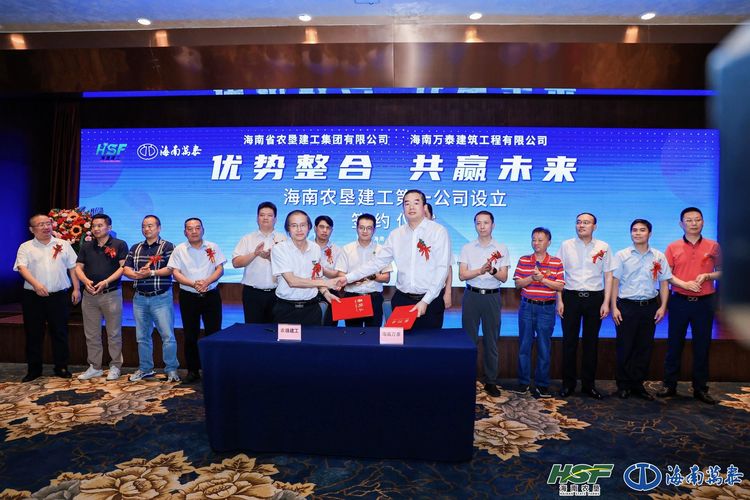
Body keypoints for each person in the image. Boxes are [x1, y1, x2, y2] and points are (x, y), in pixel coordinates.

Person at [340, 190, 451, 330]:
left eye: (416, 203)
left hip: (430, 301)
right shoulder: (396, 234)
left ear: (424, 207)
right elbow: (376, 263)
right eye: (407, 203)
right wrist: (348, 278)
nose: (411, 207)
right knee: (401, 342)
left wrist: (426, 301)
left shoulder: (438, 231)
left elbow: (442, 268)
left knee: (429, 342)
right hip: (402, 300)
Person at [658, 207, 722, 404]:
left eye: (697, 219)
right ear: (681, 224)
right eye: (689, 220)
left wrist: (708, 276)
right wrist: (684, 284)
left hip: (705, 302)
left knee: (702, 345)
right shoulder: (673, 247)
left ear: (703, 222)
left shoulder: (713, 246)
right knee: (674, 344)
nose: (694, 223)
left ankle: (700, 388)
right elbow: (666, 275)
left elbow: (723, 271)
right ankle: (669, 384)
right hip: (680, 301)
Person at [14, 214, 81, 382]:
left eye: (48, 223)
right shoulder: (25, 247)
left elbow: (73, 268)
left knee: (60, 332)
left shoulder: (64, 244)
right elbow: (22, 268)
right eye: (41, 224)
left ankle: (61, 366)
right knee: (33, 333)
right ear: (32, 229)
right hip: (33, 297)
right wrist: (36, 285)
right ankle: (34, 369)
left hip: (59, 296)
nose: (46, 227)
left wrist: (76, 289)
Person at [610, 219, 671, 400]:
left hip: (649, 306)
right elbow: (615, 282)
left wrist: (663, 306)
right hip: (626, 306)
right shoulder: (622, 255)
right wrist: (614, 307)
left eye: (642, 230)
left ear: (649, 233)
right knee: (625, 346)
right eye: (634, 230)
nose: (637, 233)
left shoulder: (658, 256)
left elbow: (664, 283)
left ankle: (638, 384)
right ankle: (623, 385)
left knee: (644, 347)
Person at [556, 212, 613, 400]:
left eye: (586, 223)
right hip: (571, 297)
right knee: (569, 342)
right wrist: (559, 300)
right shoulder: (566, 245)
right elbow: (558, 273)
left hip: (594, 298)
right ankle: (568, 384)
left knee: (591, 343)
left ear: (594, 226)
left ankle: (589, 385)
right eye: (579, 222)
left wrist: (606, 302)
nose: (581, 225)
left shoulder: (604, 247)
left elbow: (608, 276)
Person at [458, 210, 510, 398]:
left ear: (493, 225)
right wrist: (480, 271)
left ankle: (491, 381)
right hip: (471, 296)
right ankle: (466, 378)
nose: (482, 226)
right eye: (478, 223)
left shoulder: (502, 248)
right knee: (468, 340)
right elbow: (462, 275)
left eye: (486, 223)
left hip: (492, 297)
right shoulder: (467, 248)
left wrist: (492, 270)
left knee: (491, 340)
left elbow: (504, 277)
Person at [167, 218, 225, 383]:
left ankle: (214, 370)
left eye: (197, 228)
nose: (194, 231)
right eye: (190, 229)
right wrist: (194, 284)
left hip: (211, 296)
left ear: (203, 230)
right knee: (190, 335)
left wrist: (206, 282)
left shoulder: (213, 247)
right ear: (185, 232)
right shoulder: (179, 249)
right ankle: (193, 371)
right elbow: (175, 273)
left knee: (214, 333)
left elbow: (220, 269)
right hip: (189, 297)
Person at [123, 215, 180, 382]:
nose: (146, 229)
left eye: (150, 226)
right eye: (144, 226)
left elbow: (171, 269)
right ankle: (145, 368)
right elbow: (126, 268)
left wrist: (151, 273)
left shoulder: (168, 246)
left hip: (161, 297)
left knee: (167, 336)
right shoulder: (135, 247)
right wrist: (136, 275)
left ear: (159, 228)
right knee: (142, 337)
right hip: (139, 298)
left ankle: (171, 369)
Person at [512, 227, 564, 398]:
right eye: (534, 239)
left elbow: (560, 286)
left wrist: (543, 279)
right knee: (524, 346)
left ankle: (542, 384)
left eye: (540, 240)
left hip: (546, 309)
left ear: (549, 242)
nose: (536, 243)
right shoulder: (524, 259)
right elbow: (518, 284)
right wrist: (532, 278)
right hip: (527, 307)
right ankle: (523, 382)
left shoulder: (556, 262)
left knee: (544, 347)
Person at [74, 213, 128, 381]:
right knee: (91, 334)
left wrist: (106, 281)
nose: (96, 229)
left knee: (114, 333)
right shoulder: (86, 246)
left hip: (111, 294)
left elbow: (123, 268)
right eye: (94, 226)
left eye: (100, 225)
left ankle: (115, 366)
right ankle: (95, 367)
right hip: (89, 296)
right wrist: (85, 281)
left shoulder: (119, 244)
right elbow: (78, 267)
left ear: (109, 227)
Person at [271, 210, 341, 325]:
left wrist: (326, 293)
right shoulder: (279, 249)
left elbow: (317, 277)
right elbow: (292, 281)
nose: (299, 229)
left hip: (312, 308)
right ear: (288, 228)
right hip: (286, 309)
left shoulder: (315, 248)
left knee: (313, 337)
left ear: (309, 227)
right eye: (294, 225)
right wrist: (327, 283)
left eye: (303, 225)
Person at [232, 202, 286, 324]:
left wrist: (271, 258)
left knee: (275, 330)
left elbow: (290, 266)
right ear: (257, 218)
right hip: (252, 294)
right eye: (262, 215)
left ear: (275, 219)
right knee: (253, 330)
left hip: (277, 293)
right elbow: (236, 263)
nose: (265, 218)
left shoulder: (284, 239)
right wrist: (255, 253)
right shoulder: (247, 239)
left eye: (269, 215)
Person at [334, 213, 392, 327]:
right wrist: (354, 280)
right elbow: (340, 275)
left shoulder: (382, 250)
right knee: (352, 334)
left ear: (374, 230)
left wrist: (370, 276)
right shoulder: (346, 249)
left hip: (374, 298)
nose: (365, 231)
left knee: (373, 334)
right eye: (361, 228)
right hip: (352, 297)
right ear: (356, 228)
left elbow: (386, 278)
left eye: (369, 228)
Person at [314, 215, 342, 326]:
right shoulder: (307, 247)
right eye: (321, 227)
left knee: (331, 328)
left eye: (328, 228)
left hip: (331, 291)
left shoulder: (337, 250)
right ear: (315, 228)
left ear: (332, 230)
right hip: (310, 291)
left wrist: (320, 268)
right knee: (311, 328)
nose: (325, 230)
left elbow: (337, 274)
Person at [425, 203, 453, 312]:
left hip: (435, 293)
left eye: (425, 214)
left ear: (432, 217)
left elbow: (448, 267)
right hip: (411, 294)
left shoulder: (440, 235)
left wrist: (448, 292)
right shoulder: (407, 235)